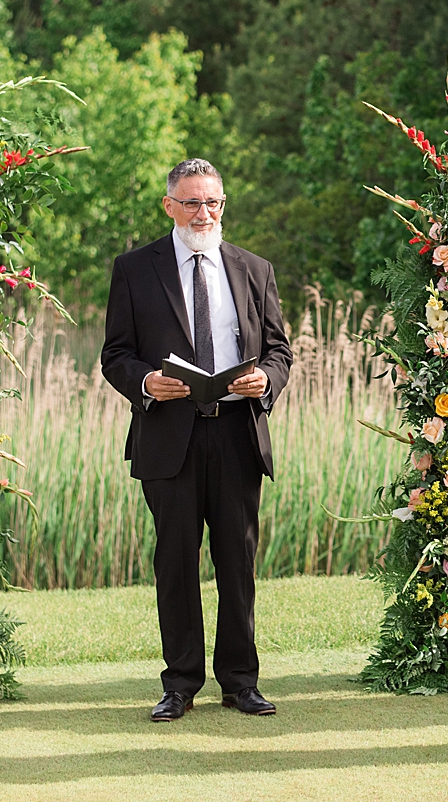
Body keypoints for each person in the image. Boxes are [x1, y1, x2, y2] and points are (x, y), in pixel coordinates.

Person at [101, 159, 294, 722]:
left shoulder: (255, 269)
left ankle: (240, 682)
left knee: (237, 563)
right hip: (169, 437)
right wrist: (145, 382)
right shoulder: (135, 269)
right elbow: (115, 355)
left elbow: (280, 350)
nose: (203, 213)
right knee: (176, 563)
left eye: (212, 202)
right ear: (169, 206)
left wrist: (266, 382)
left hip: (237, 433)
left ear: (223, 203)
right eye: (191, 203)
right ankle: (180, 684)